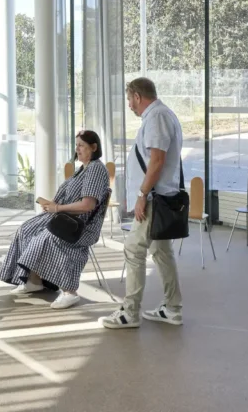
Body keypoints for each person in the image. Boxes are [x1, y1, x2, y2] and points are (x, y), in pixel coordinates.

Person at [100, 77, 184, 329]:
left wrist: (141, 195)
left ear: (137, 96)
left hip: (152, 199)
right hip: (159, 197)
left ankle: (130, 312)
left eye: (129, 99)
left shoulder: (156, 117)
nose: (129, 105)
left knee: (134, 249)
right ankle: (172, 308)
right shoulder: (162, 115)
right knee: (160, 251)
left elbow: (157, 160)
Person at [0, 130, 110, 310]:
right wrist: (52, 205)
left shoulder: (96, 169)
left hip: (80, 226)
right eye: (77, 145)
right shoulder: (84, 168)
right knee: (26, 229)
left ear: (94, 147)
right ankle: (34, 280)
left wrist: (57, 208)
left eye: (81, 145)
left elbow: (87, 205)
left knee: (48, 237)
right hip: (66, 218)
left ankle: (70, 292)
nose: (77, 149)